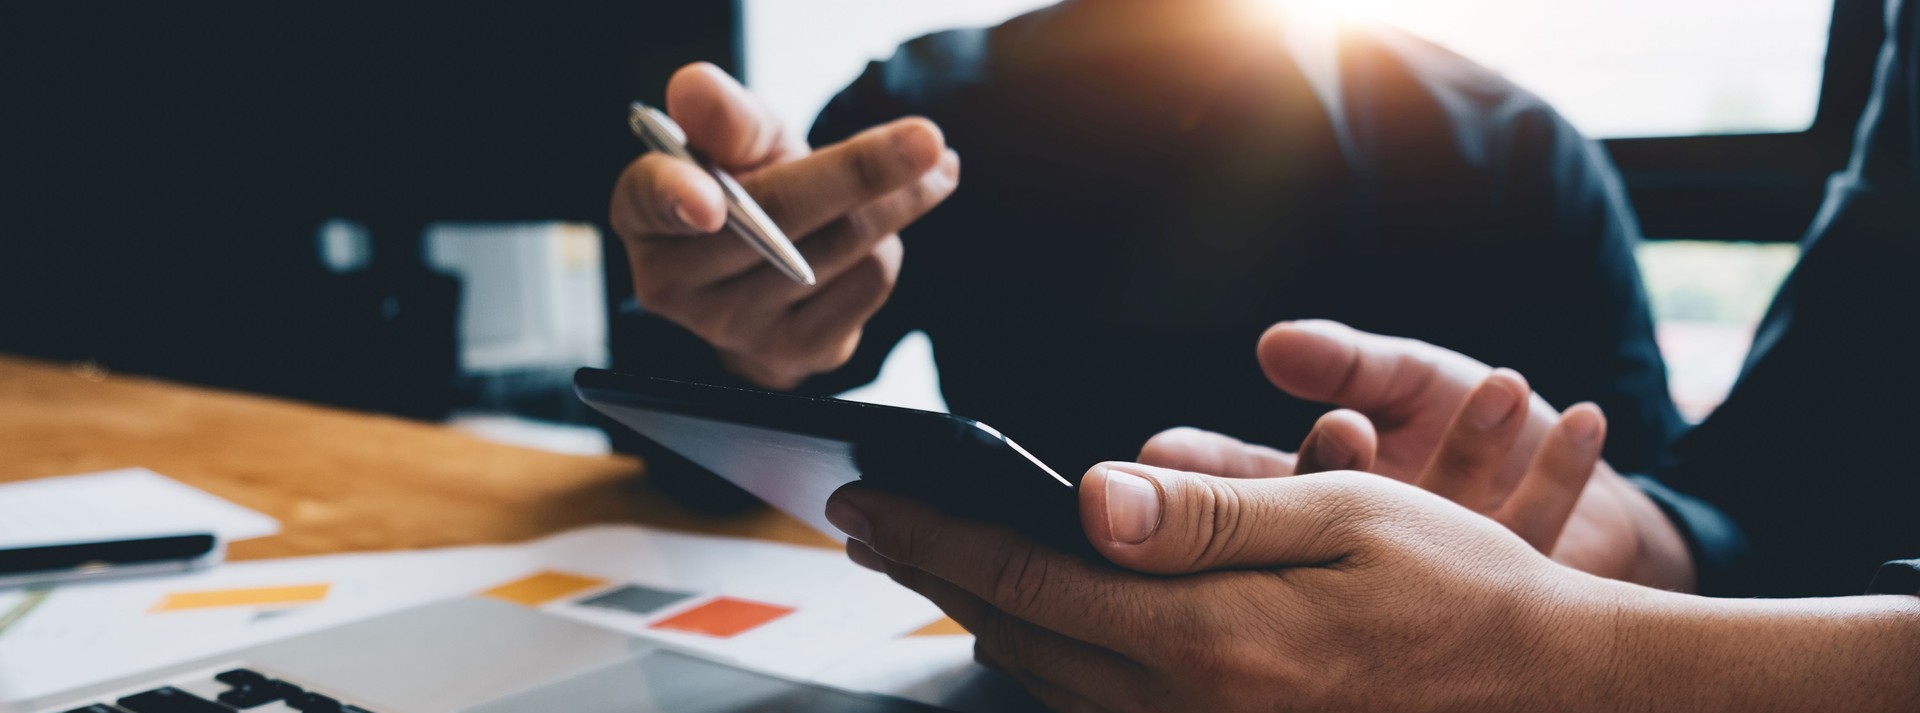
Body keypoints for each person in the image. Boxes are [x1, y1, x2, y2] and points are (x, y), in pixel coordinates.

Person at [814, 0, 1920, 713]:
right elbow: (1792, 510)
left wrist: (1595, 644)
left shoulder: (1523, 156)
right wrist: (1643, 547)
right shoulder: (917, 112)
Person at [610, 0, 1684, 485]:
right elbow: (679, 452)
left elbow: (1653, 527)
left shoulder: (1519, 156)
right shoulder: (923, 106)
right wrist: (738, 346)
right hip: (998, 702)